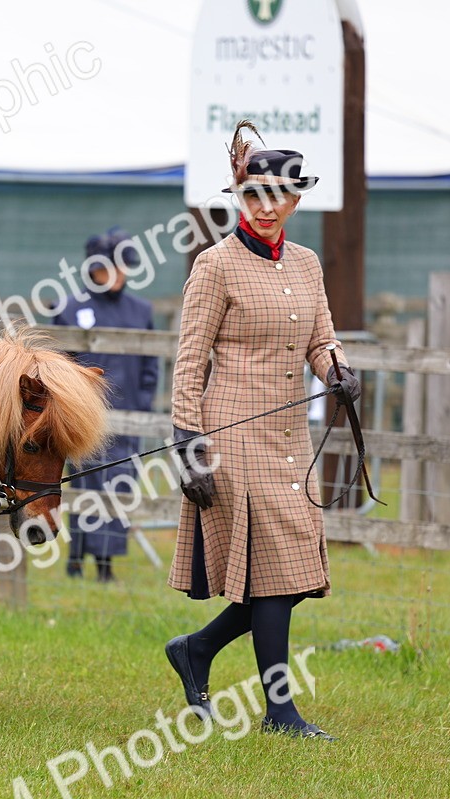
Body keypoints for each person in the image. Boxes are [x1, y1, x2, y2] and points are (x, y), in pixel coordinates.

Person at [163, 121, 362, 740]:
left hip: (288, 438)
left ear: (296, 199)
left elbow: (320, 339)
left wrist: (338, 370)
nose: (267, 206)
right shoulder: (214, 266)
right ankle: (280, 711)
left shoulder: (306, 264)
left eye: (279, 195)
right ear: (240, 200)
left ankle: (197, 649)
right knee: (276, 570)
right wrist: (186, 442)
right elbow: (190, 359)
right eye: (254, 195)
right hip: (230, 434)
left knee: (292, 571)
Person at [52, 228, 158, 581]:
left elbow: (150, 368)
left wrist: (140, 411)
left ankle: (106, 565)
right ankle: (77, 558)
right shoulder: (69, 309)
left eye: (122, 268)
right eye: (108, 268)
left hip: (126, 420)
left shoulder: (141, 311)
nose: (115, 275)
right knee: (85, 485)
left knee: (118, 486)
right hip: (83, 420)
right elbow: (59, 364)